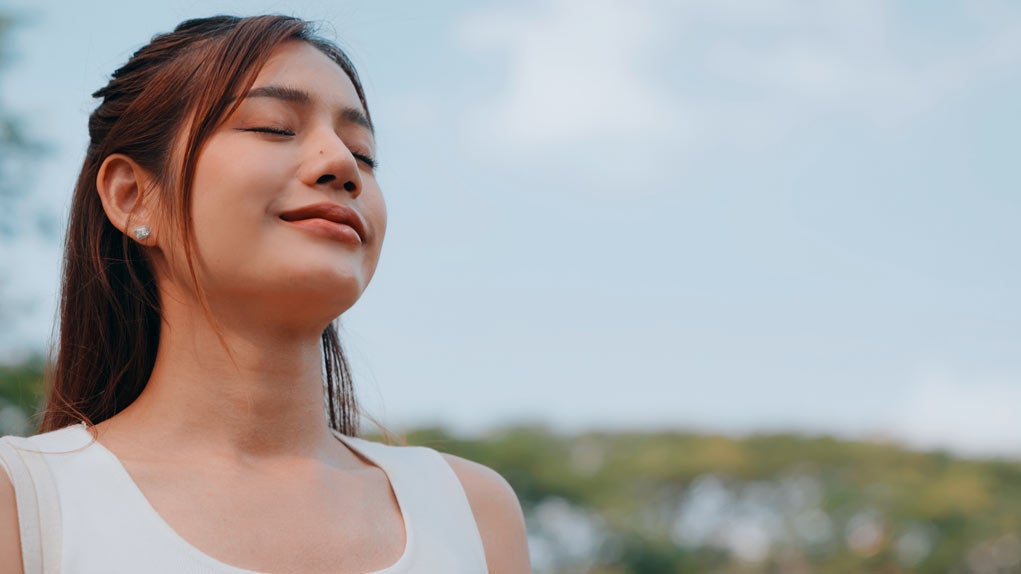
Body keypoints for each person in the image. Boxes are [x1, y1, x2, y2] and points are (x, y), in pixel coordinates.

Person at [0, 14, 531, 573]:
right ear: (132, 195)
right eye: (274, 127)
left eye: (363, 153)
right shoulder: (24, 504)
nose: (342, 165)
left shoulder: (471, 513)